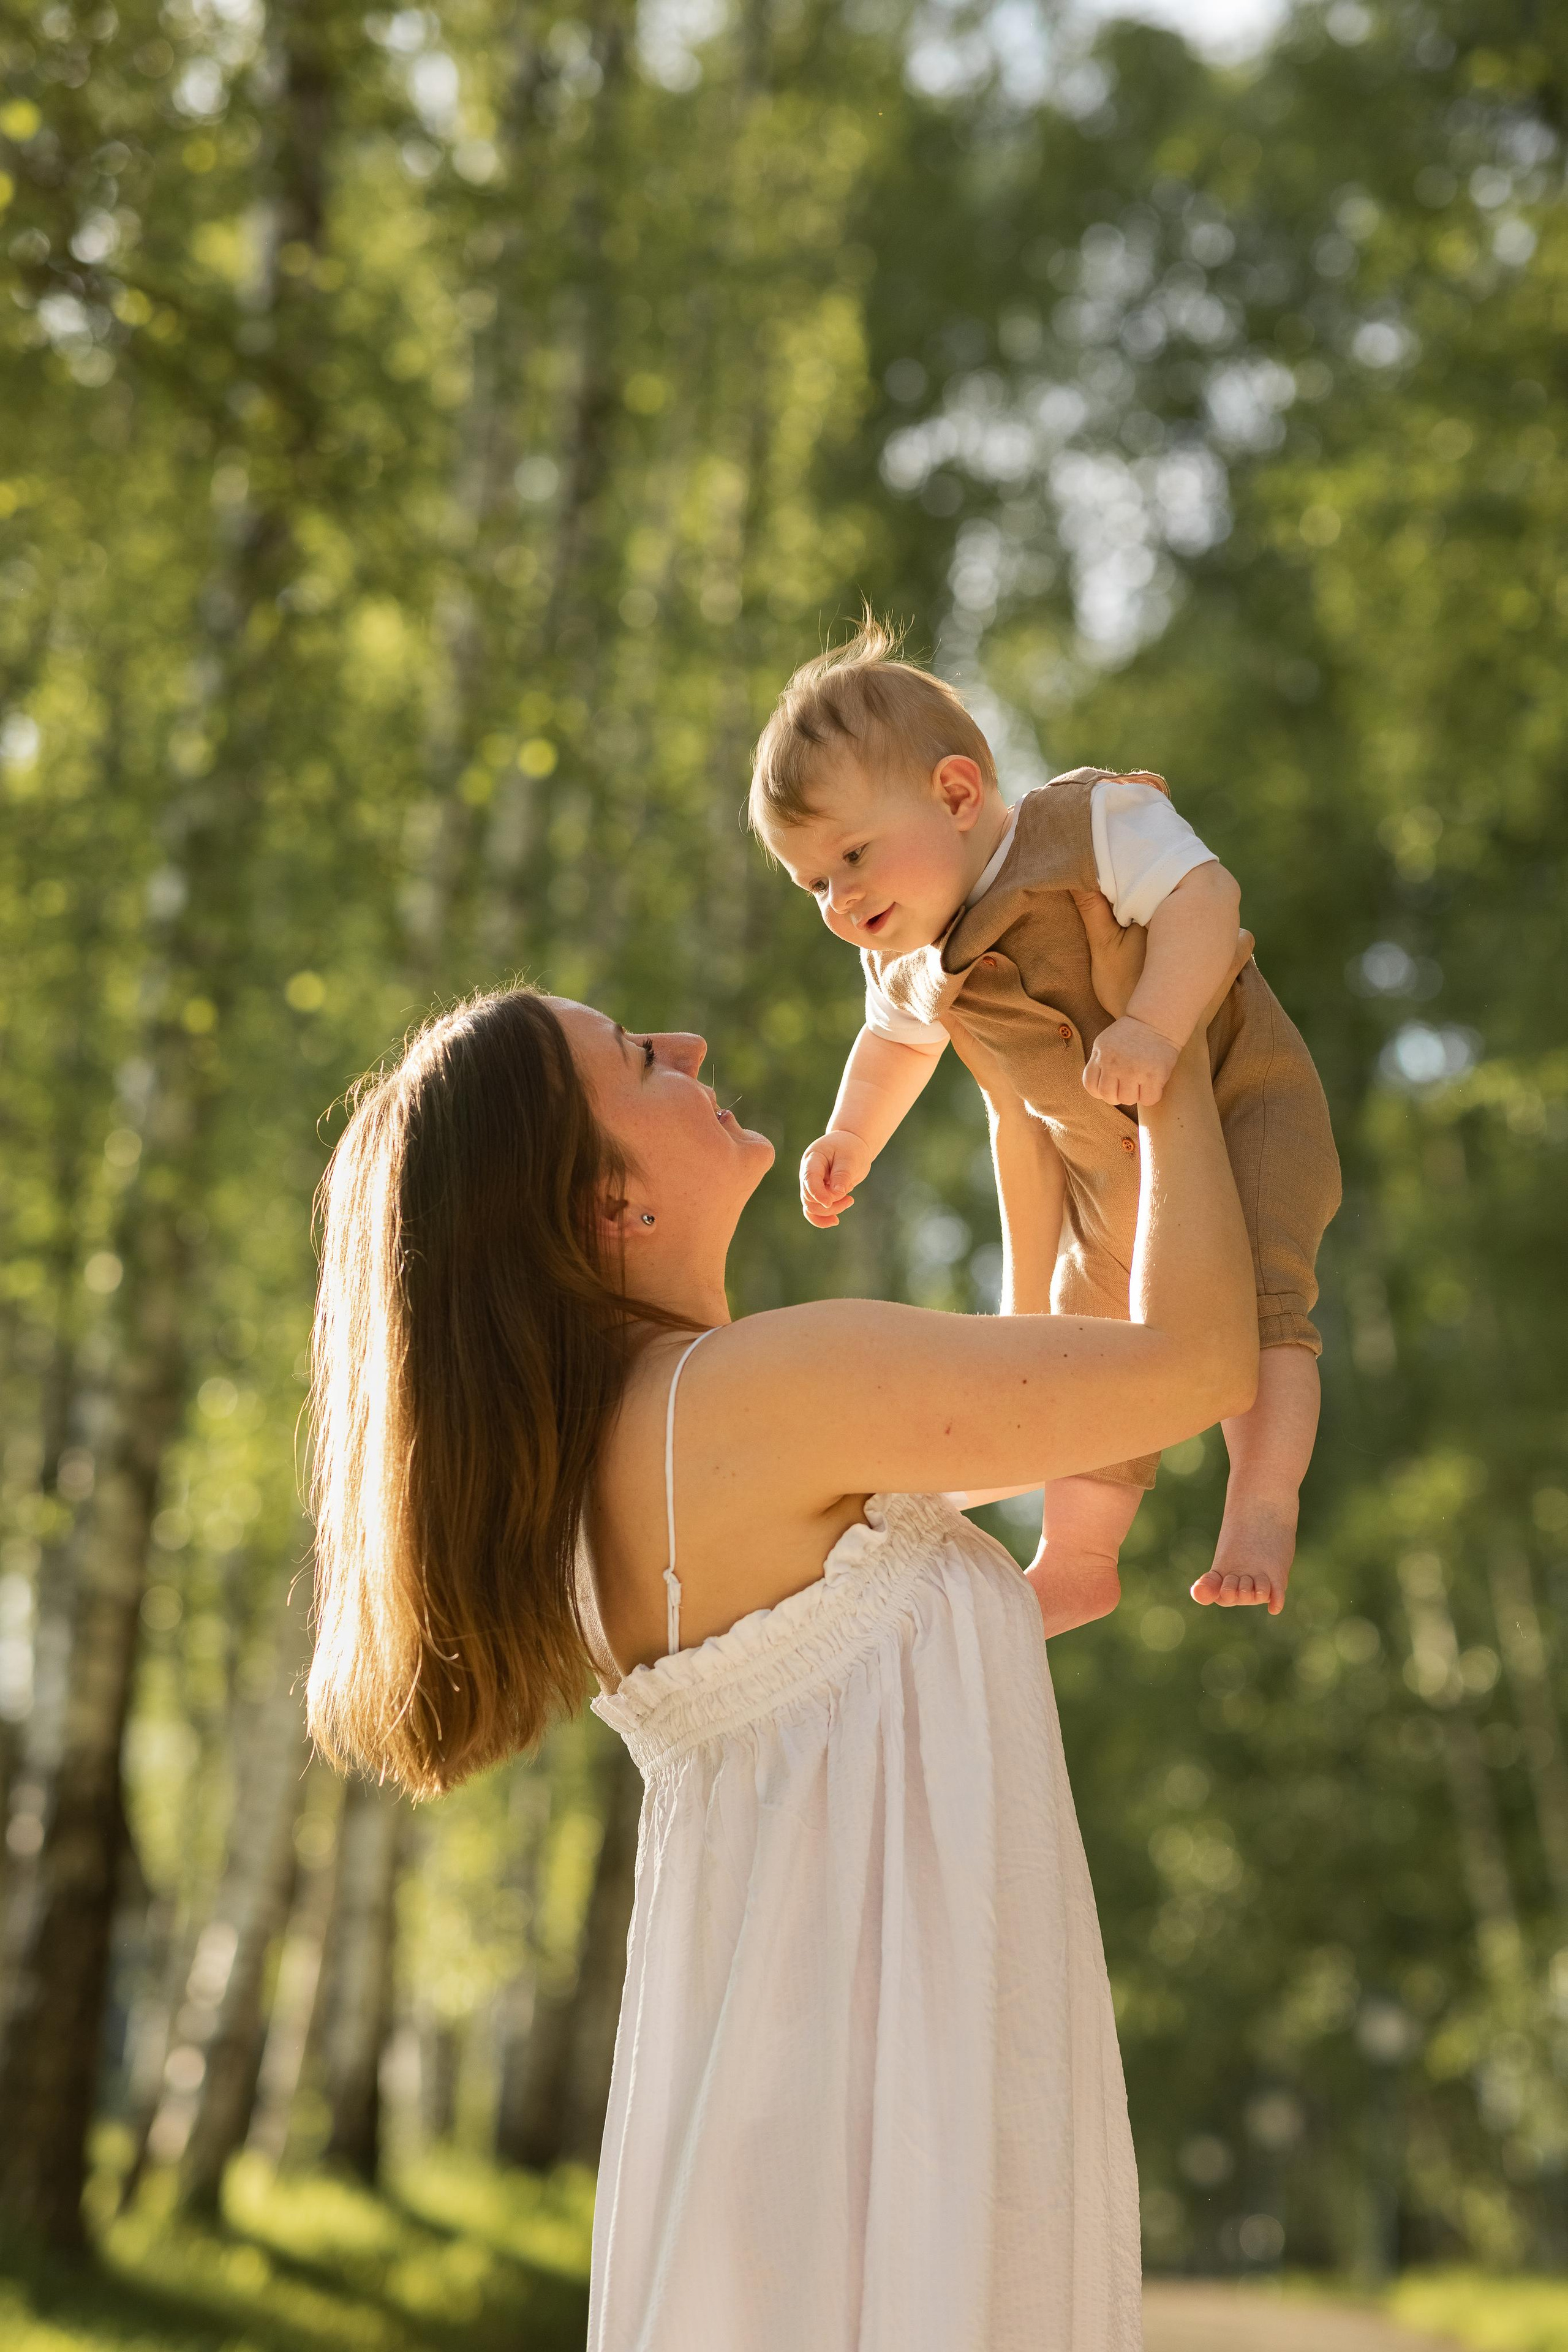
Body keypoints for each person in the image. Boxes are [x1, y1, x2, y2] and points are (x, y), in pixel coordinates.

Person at [305, 976, 1256, 2351]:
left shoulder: (621, 1473)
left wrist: (1022, 1116)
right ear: (601, 1199)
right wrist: (1164, 1048)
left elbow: (1030, 1379)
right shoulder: (755, 1398)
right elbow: (1197, 1361)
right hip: (885, 2129)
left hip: (800, 2122)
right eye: (638, 1059)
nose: (687, 1043)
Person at [751, 617, 1340, 1637]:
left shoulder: (1092, 824)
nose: (841, 898)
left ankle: (1261, 1504)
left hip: (1240, 1097)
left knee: (1265, 1294)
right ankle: (1077, 1556)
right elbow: (892, 1048)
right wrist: (851, 1137)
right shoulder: (912, 961)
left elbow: (1208, 899)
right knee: (1085, 1348)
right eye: (814, 882)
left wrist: (1154, 1026)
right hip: (1107, 1171)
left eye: (852, 854)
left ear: (956, 793)